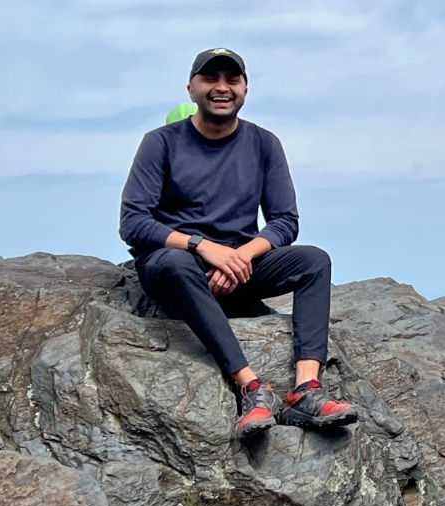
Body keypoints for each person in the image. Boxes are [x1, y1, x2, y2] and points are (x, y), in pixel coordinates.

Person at [119, 48, 357, 438]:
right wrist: (201, 246)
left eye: (232, 80)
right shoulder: (160, 143)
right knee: (174, 264)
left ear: (245, 89)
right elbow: (134, 222)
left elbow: (284, 221)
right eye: (211, 79)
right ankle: (251, 386)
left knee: (315, 260)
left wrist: (242, 255)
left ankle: (306, 391)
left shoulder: (263, 144)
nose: (222, 88)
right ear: (192, 88)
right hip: (177, 264)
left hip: (241, 263)